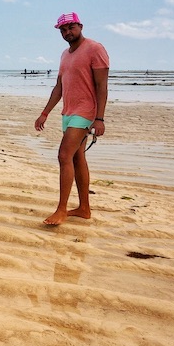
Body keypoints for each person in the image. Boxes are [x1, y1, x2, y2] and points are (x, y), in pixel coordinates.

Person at [35, 12, 109, 225]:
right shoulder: (64, 54)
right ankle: (84, 208)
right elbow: (59, 86)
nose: (67, 32)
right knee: (77, 158)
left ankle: (61, 210)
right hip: (68, 112)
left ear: (80, 26)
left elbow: (101, 86)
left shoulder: (95, 49)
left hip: (85, 112)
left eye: (71, 27)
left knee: (63, 155)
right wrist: (45, 112)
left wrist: (100, 118)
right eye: (63, 29)